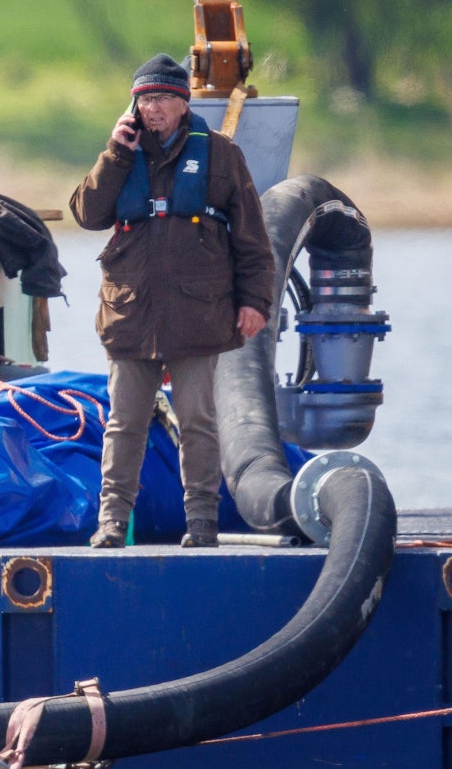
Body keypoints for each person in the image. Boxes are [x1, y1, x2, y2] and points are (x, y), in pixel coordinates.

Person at [69, 54, 274, 548]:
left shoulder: (221, 155)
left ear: (184, 104)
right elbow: (86, 212)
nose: (152, 108)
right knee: (124, 425)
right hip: (131, 313)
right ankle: (112, 523)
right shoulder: (120, 152)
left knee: (199, 422)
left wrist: (255, 303)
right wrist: (115, 154)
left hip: (199, 313)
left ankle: (202, 523)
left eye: (161, 98)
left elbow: (252, 239)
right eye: (143, 100)